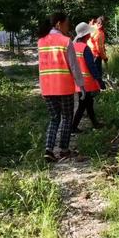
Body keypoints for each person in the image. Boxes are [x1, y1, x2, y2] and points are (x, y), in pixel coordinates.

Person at [38, 12, 86, 160]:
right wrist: (81, 85)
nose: (68, 26)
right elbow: (74, 66)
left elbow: (41, 66)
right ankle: (64, 149)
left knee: (54, 118)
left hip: (47, 87)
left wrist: (41, 87)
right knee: (66, 118)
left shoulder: (41, 41)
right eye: (67, 23)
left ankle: (49, 150)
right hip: (64, 87)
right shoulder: (65, 41)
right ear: (59, 24)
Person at [72, 22, 104, 133]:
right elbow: (92, 66)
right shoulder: (85, 48)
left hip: (77, 81)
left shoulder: (73, 46)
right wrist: (99, 80)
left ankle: (95, 123)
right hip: (86, 82)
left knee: (89, 102)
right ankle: (73, 127)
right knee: (83, 105)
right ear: (86, 35)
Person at [87, 15, 108, 81]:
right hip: (96, 56)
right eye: (105, 24)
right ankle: (98, 89)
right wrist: (104, 57)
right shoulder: (100, 33)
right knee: (97, 75)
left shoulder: (91, 28)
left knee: (90, 73)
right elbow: (100, 48)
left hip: (87, 53)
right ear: (101, 24)